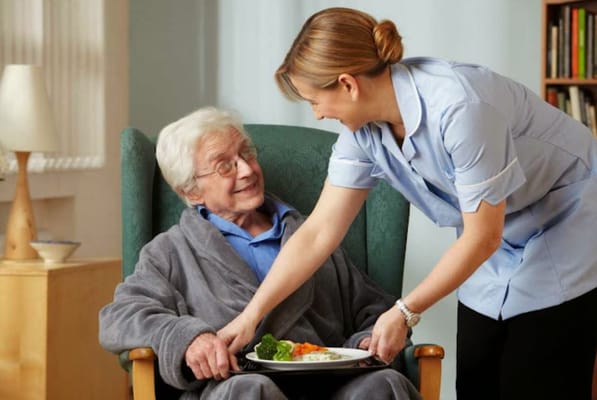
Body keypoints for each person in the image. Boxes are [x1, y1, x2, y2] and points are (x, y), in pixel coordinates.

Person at [217, 7, 597, 400]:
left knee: (538, 378)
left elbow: (483, 236)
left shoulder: (460, 107)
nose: (318, 113)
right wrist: (251, 316)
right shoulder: (362, 131)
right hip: (491, 237)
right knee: (476, 377)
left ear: (348, 84)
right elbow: (318, 232)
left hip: (562, 220)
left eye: (316, 100)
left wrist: (404, 311)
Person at [98, 107, 420, 400]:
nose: (247, 170)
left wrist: (367, 341)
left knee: (384, 386)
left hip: (329, 385)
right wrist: (187, 338)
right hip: (236, 385)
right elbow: (119, 316)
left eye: (247, 154)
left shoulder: (309, 235)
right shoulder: (171, 251)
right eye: (225, 166)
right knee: (251, 392)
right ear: (192, 191)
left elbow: (372, 308)